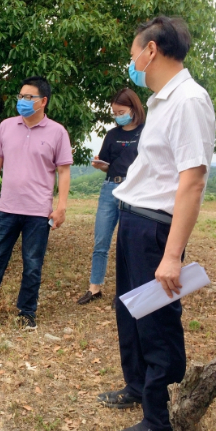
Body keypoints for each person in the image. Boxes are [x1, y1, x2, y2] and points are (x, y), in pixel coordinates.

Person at [97, 17, 215, 431]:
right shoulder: (162, 102)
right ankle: (136, 386)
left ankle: (159, 423)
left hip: (155, 229)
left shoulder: (189, 100)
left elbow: (193, 180)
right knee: (131, 309)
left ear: (151, 51)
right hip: (133, 219)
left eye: (133, 55)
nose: (131, 64)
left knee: (157, 321)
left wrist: (172, 255)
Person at [0, 76, 72, 330]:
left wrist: (61, 207)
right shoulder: (6, 126)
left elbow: (63, 171)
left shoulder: (57, 132)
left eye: (29, 97)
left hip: (38, 211)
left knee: (32, 265)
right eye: (20, 96)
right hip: (7, 208)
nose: (22, 101)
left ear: (43, 101)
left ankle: (27, 313)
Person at [77, 89, 145, 305]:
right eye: (114, 113)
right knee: (101, 240)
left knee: (128, 243)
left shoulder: (146, 132)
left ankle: (126, 291)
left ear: (134, 109)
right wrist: (100, 165)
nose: (117, 116)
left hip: (134, 190)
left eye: (121, 112)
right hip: (110, 188)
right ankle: (94, 288)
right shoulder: (112, 135)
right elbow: (107, 164)